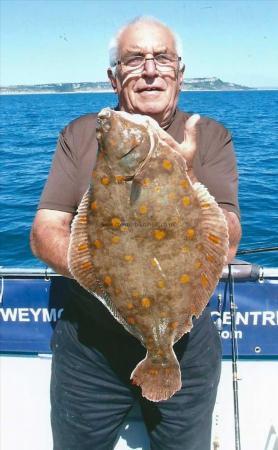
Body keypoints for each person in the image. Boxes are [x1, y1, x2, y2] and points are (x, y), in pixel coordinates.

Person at [30, 16, 241, 450]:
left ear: (179, 74)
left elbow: (230, 240)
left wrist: (184, 181)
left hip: (187, 349)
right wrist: (105, 275)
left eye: (162, 58)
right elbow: (45, 230)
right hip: (88, 349)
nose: (149, 70)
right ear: (113, 77)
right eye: (133, 60)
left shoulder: (209, 135)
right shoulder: (82, 133)